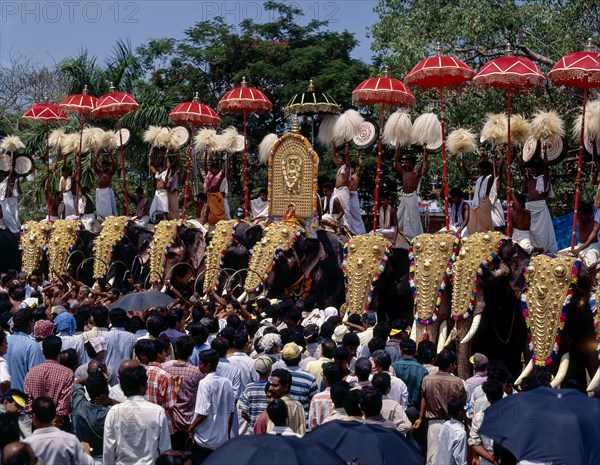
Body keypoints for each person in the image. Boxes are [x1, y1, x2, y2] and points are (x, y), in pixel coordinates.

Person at [104, 364, 171, 464]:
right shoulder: (158, 412)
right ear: (143, 387)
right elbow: (165, 449)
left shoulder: (113, 412)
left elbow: (108, 449)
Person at [415, 349, 468, 465]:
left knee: (432, 458)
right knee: (451, 458)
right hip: (453, 423)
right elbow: (463, 403)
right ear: (451, 365)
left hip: (433, 423)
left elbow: (424, 399)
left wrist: (421, 418)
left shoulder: (427, 380)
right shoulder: (458, 382)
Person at [188, 349, 234, 462]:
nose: (198, 366)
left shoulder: (205, 383)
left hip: (205, 439)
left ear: (208, 365)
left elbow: (203, 413)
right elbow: (231, 411)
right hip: (221, 439)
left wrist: (191, 428)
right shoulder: (226, 382)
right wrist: (227, 433)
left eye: (200, 363)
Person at [23, 397, 94, 465]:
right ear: (54, 415)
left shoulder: (26, 445)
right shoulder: (70, 440)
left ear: (34, 417)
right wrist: (87, 452)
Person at [162, 336, 203, 451]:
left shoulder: (166, 370)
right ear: (191, 353)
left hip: (172, 421)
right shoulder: (197, 372)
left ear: (176, 350)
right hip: (190, 421)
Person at [23, 335, 74, 428]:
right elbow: (64, 402)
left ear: (43, 351)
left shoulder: (31, 372)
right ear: (59, 352)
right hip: (59, 422)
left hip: (37, 421)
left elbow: (28, 398)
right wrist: (56, 420)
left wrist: (34, 415)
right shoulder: (67, 373)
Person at [519, 152, 557, 253]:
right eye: (533, 170)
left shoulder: (544, 178)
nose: (534, 171)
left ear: (540, 170)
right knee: (531, 230)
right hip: (530, 208)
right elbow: (523, 191)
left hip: (540, 208)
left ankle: (544, 250)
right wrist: (519, 154)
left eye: (536, 169)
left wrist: (544, 151)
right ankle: (534, 249)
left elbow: (546, 166)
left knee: (543, 232)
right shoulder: (529, 179)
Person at [72, 372, 111, 461]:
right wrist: (112, 401)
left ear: (88, 391)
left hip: (84, 456)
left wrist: (91, 378)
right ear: (106, 390)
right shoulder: (112, 412)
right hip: (106, 457)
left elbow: (76, 383)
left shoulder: (80, 407)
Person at [393, 150, 429, 239]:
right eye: (406, 163)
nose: (407, 164)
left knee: (413, 218)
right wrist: (398, 148)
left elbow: (426, 167)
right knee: (399, 216)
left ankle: (415, 236)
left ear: (413, 164)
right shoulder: (403, 173)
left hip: (412, 197)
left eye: (409, 163)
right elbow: (395, 162)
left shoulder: (416, 173)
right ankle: (399, 234)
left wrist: (425, 156)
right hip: (404, 197)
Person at [6, 310, 44, 391]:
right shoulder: (31, 345)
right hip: (20, 398)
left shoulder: (4, 341)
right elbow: (36, 377)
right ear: (30, 323)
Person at [469, 380, 504, 465]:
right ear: (502, 394)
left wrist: (492, 460)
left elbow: (474, 443)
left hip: (487, 460)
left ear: (487, 397)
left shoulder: (479, 417)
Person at [239, 355, 272, 434]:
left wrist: (253, 422)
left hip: (253, 431)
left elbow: (243, 413)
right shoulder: (272, 387)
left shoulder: (249, 387)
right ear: (269, 371)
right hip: (269, 430)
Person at [267, 368, 306, 436]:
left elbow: (271, 433)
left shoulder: (277, 406)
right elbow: (301, 431)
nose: (271, 388)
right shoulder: (298, 405)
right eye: (271, 385)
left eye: (275, 385)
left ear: (286, 387)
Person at [462, 159, 494, 234]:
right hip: (476, 203)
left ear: (485, 169)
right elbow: (468, 176)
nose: (480, 170)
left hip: (484, 203)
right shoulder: (480, 178)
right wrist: (463, 165)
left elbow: (496, 172)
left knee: (486, 224)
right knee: (472, 223)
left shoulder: (490, 178)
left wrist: (494, 159)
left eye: (481, 168)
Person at [437, 397, 468, 465]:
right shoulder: (460, 433)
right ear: (460, 413)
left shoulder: (445, 425)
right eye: (464, 410)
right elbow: (461, 459)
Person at [509, 189, 537, 255]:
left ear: (519, 203)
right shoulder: (512, 213)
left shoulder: (526, 212)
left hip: (524, 235)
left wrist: (512, 194)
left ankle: (537, 249)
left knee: (525, 249)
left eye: (514, 202)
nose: (512, 204)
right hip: (515, 234)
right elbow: (511, 226)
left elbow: (519, 208)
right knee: (512, 250)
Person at [331, 144, 352, 231]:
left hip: (343, 191)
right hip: (336, 191)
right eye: (338, 158)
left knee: (345, 210)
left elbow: (347, 154)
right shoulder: (339, 168)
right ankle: (336, 225)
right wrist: (334, 146)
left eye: (340, 158)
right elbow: (333, 155)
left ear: (344, 161)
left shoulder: (347, 168)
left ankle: (346, 229)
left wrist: (346, 143)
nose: (338, 159)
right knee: (334, 206)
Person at [92, 156, 118, 221]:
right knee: (100, 209)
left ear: (108, 166)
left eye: (106, 165)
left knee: (108, 208)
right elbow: (94, 166)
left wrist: (111, 156)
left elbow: (115, 166)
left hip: (107, 191)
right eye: (103, 165)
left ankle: (109, 220)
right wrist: (97, 155)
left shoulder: (110, 173)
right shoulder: (100, 172)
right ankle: (101, 220)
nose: (104, 166)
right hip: (100, 192)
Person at [204, 159, 230, 225]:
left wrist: (228, 157)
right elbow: (205, 166)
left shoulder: (220, 176)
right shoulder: (209, 176)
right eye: (213, 169)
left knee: (224, 213)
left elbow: (225, 169)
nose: (214, 170)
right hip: (210, 197)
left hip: (219, 197)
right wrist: (206, 153)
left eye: (216, 169)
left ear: (218, 170)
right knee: (211, 214)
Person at [348, 155, 366, 235]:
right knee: (347, 214)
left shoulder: (356, 176)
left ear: (353, 169)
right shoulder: (346, 177)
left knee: (357, 214)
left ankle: (361, 232)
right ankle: (350, 232)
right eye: (349, 169)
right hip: (347, 196)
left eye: (352, 169)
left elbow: (361, 165)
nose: (351, 170)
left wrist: (359, 156)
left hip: (354, 196)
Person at [0, 168, 20, 234]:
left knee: (7, 217)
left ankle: (15, 231)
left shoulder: (6, 181)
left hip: (3, 202)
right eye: (0, 176)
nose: (1, 177)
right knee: (2, 220)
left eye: (2, 175)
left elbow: (11, 173)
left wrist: (11, 162)